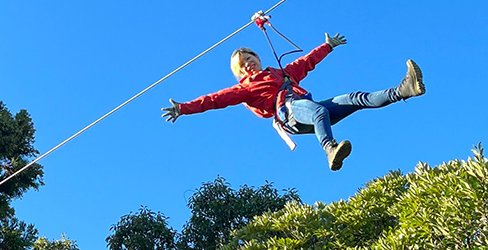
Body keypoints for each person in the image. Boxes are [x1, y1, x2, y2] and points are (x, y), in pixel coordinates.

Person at [160, 25, 425, 171]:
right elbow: (214, 99)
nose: (248, 65)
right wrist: (183, 108)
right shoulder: (245, 89)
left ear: (258, 58)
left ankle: (404, 90)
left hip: (305, 107)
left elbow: (306, 62)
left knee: (354, 98)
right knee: (318, 112)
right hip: (290, 114)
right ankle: (330, 150)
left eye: (250, 59)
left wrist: (328, 46)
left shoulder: (282, 73)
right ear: (240, 72)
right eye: (243, 65)